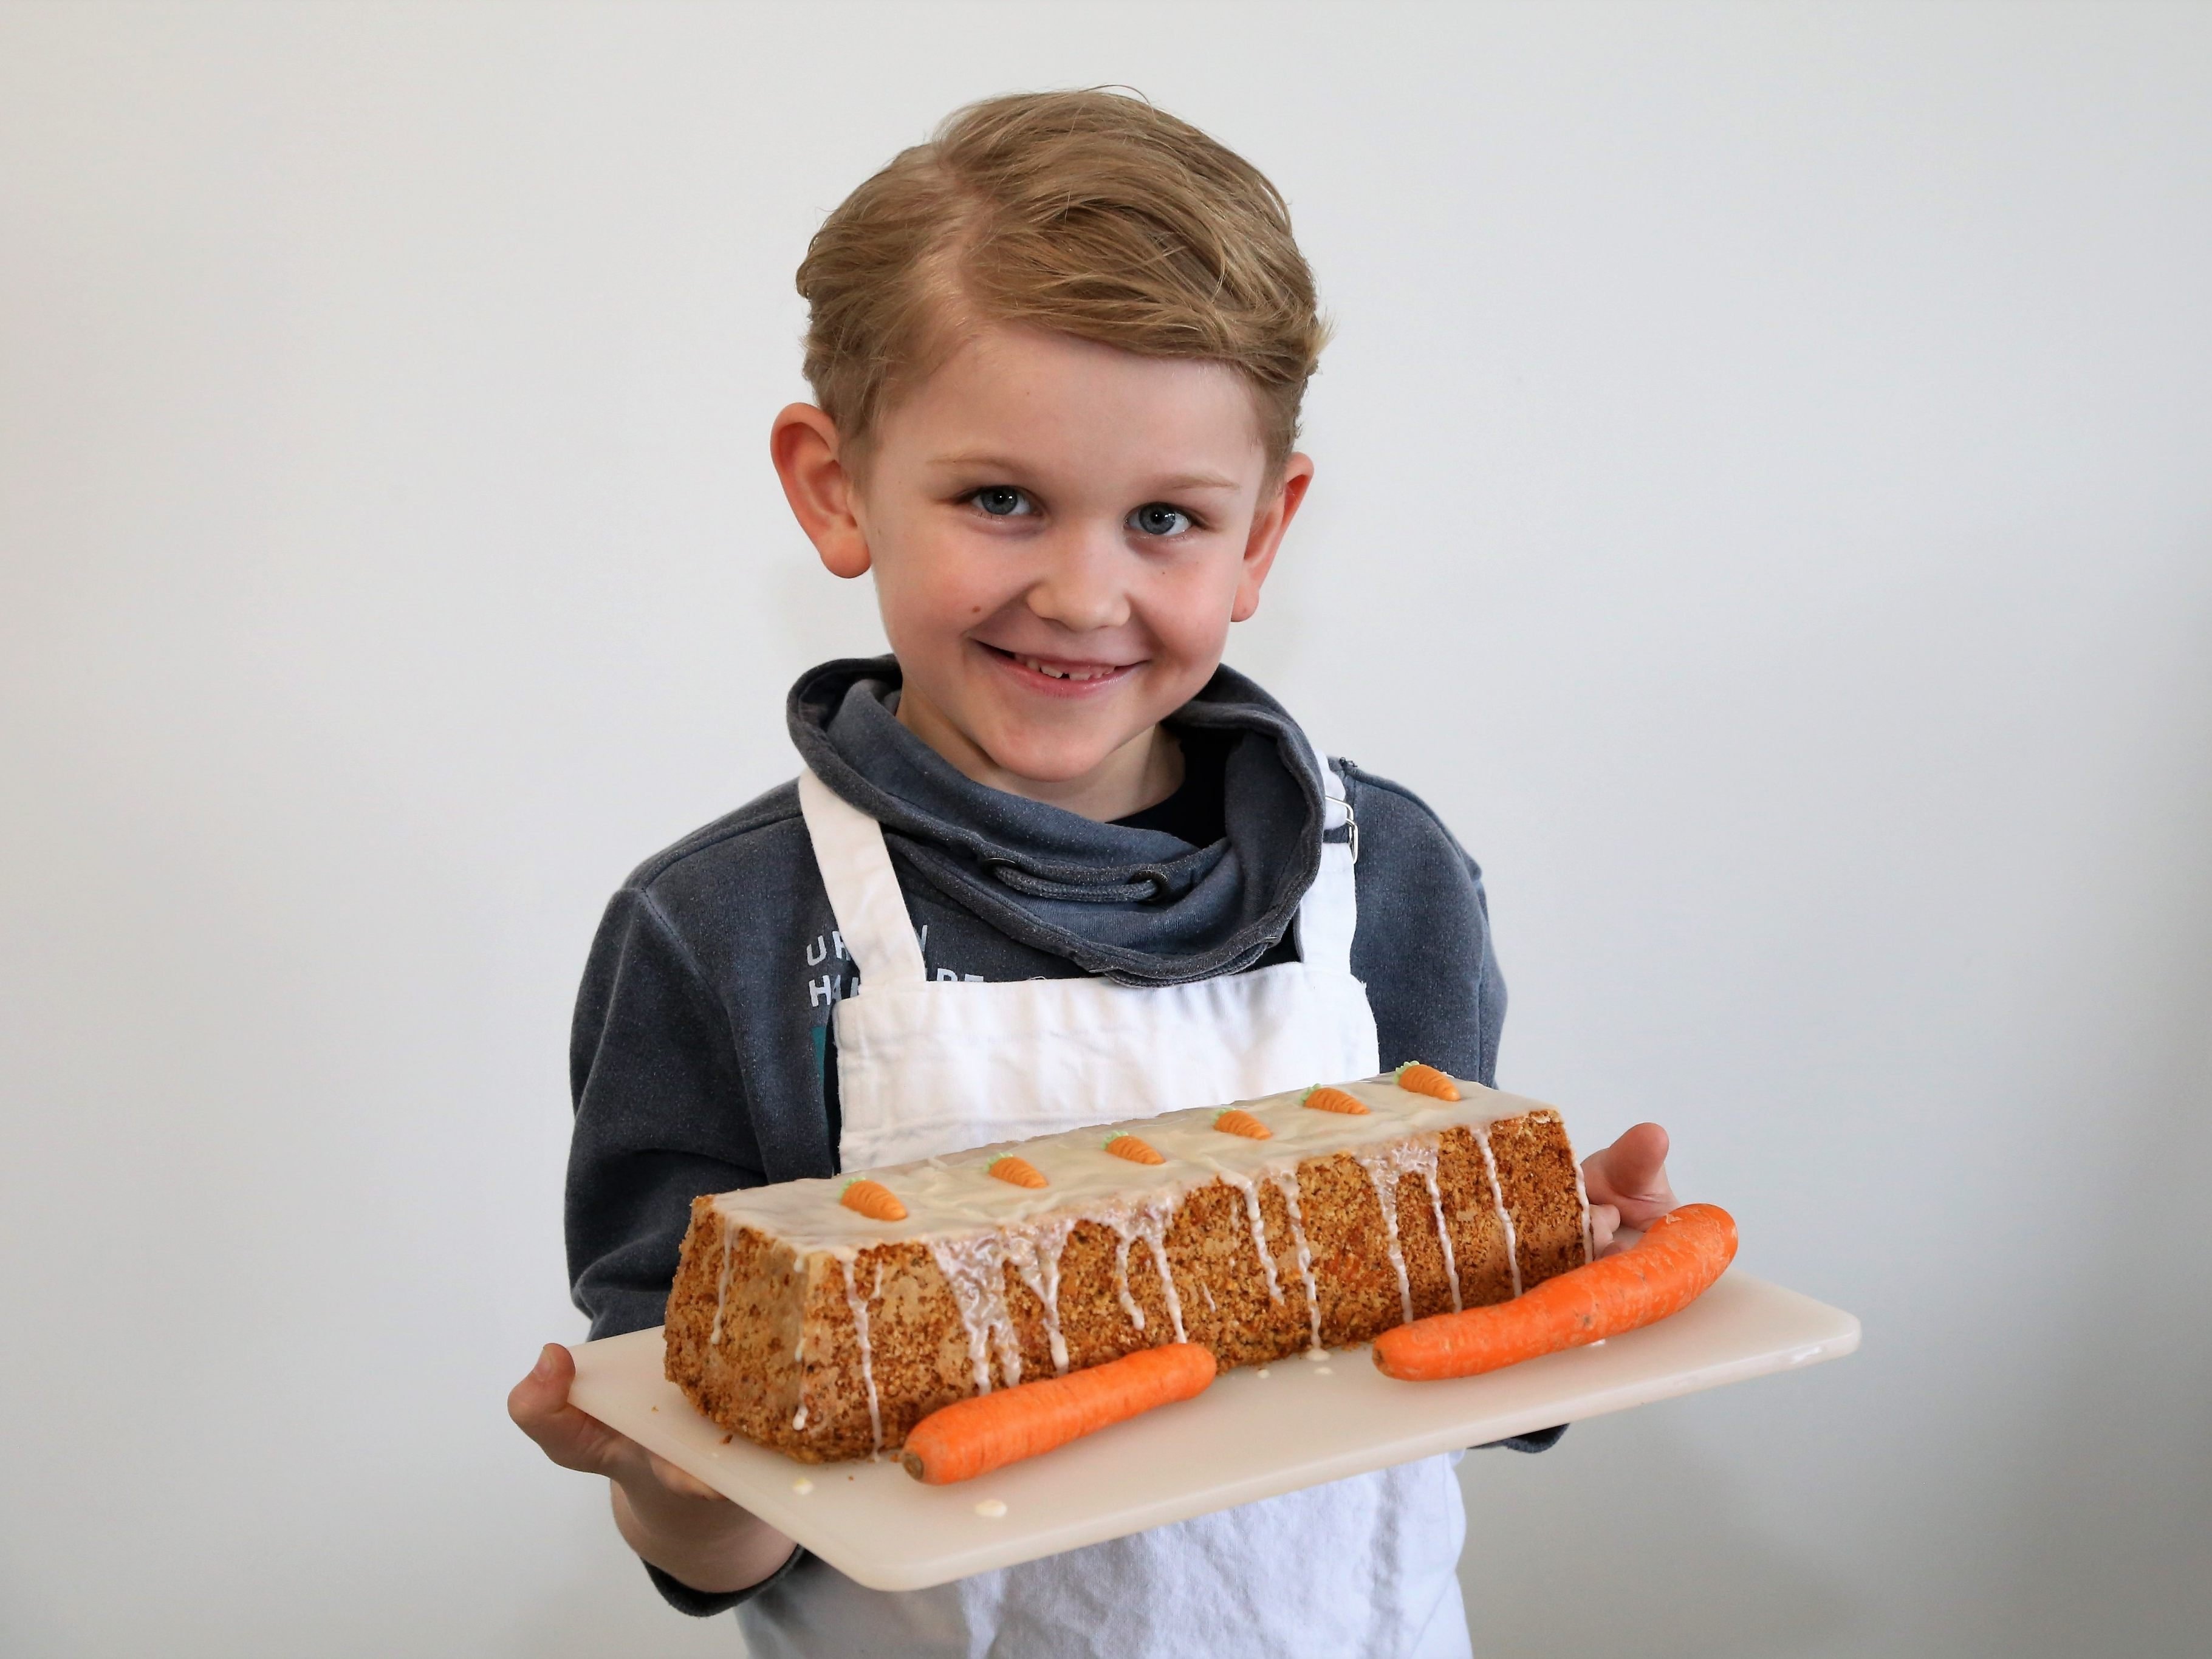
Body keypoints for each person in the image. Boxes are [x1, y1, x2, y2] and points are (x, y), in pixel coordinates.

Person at [508, 89, 1677, 1658]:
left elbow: (1453, 1376)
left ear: (1263, 533)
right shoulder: (725, 931)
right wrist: (675, 1479)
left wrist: (1552, 1267)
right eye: (1001, 499)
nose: (1081, 591)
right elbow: (706, 1534)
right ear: (834, 485)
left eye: (1165, 519)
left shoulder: (1383, 876)